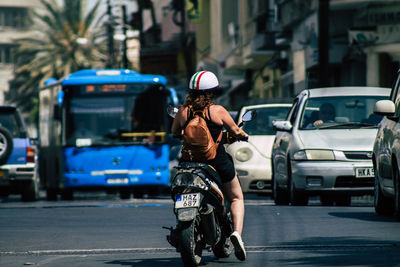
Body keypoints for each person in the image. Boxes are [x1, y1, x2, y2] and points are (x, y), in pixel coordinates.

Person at [171, 70, 248, 261]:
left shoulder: (183, 111)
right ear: (213, 91)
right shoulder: (217, 111)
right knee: (237, 198)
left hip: (189, 163)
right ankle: (236, 233)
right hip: (216, 161)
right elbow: (236, 130)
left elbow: (175, 132)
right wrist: (242, 135)